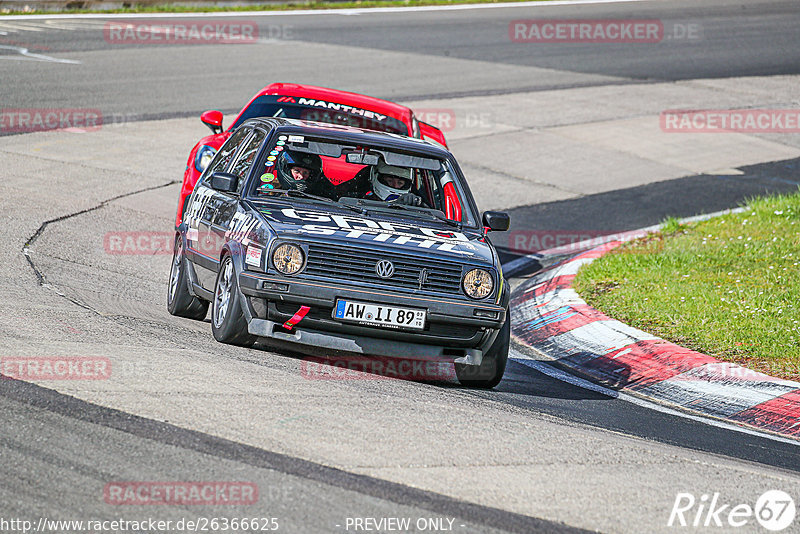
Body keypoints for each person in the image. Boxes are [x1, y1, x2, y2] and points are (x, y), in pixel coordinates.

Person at [257, 150, 334, 198]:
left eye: (305, 172)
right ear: (288, 170)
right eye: (297, 171)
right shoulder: (270, 189)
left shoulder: (321, 190)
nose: (301, 176)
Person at [357, 161, 424, 206]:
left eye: (400, 183)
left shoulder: (414, 206)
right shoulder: (362, 203)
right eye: (390, 181)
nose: (395, 186)